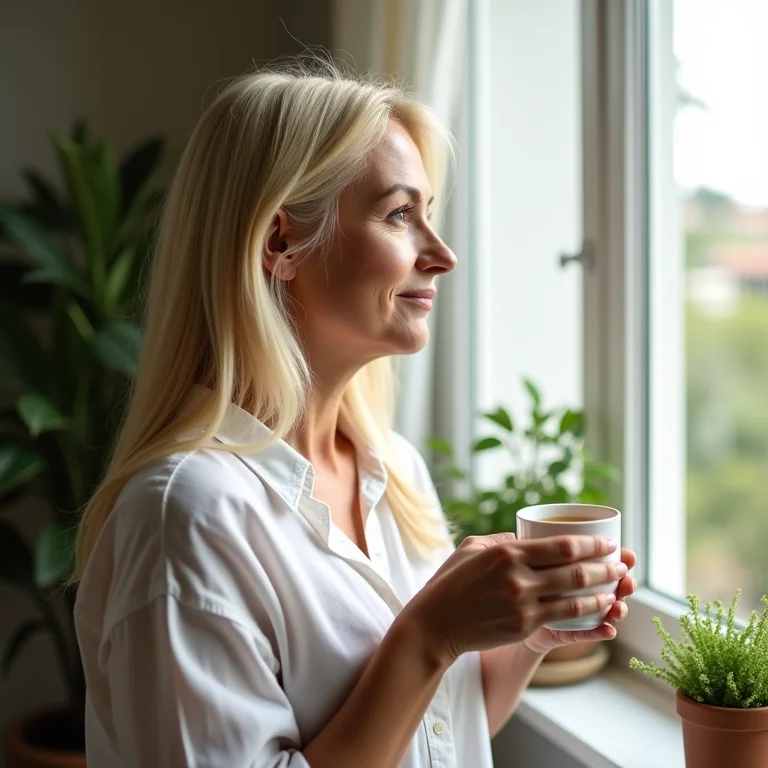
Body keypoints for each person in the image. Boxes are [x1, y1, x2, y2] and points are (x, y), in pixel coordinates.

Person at [72, 59, 637, 768]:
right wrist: (428, 634)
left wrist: (526, 635)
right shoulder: (185, 517)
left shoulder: (392, 469)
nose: (443, 255)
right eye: (401, 214)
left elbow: (438, 733)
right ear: (280, 244)